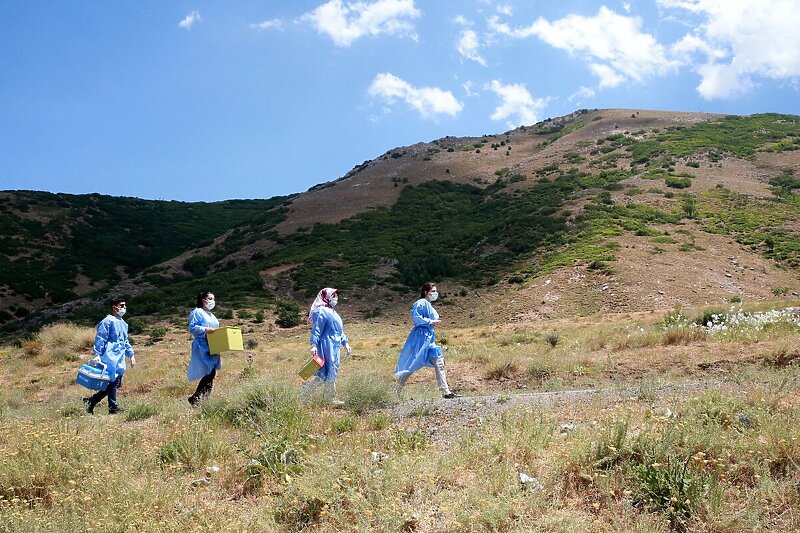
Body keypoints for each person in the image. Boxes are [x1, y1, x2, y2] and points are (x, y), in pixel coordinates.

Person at [394, 282, 457, 399]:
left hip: (429, 338)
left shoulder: (429, 305)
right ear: (425, 292)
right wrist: (430, 322)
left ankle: (445, 391)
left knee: (439, 361)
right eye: (433, 291)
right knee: (411, 364)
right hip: (420, 338)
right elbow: (415, 317)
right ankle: (396, 391)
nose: (435, 293)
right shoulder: (421, 303)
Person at [83, 298, 136, 414]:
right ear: (114, 307)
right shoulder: (107, 321)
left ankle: (91, 400)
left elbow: (125, 341)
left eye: (125, 305)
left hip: (119, 356)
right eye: (122, 305)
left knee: (117, 383)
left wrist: (130, 354)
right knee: (113, 381)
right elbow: (100, 338)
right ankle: (113, 407)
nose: (124, 308)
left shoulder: (123, 323)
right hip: (109, 355)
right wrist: (97, 354)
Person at [301, 288, 351, 405]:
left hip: (335, 347)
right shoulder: (321, 311)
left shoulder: (335, 314)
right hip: (326, 345)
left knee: (329, 372)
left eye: (336, 296)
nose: (336, 298)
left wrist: (346, 343)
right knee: (325, 372)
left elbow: (339, 332)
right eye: (333, 296)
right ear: (326, 296)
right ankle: (325, 397)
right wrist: (313, 344)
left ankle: (304, 394)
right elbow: (317, 329)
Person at [187, 291, 221, 407]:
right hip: (203, 345)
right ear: (203, 299)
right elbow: (192, 328)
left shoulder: (212, 315)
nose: (212, 301)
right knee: (209, 372)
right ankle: (197, 398)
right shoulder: (197, 312)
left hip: (213, 345)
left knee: (211, 373)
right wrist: (205, 329)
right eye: (210, 298)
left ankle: (202, 399)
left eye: (213, 299)